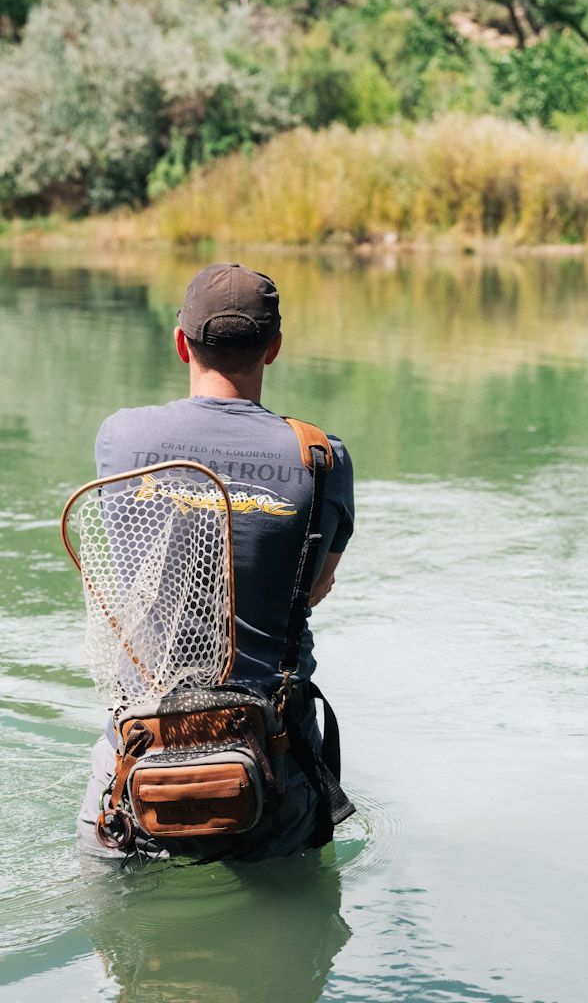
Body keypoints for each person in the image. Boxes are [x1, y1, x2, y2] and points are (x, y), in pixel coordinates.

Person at [77, 263, 355, 859]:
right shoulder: (320, 456)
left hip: (141, 756)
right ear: (273, 348)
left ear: (182, 344)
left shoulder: (122, 437)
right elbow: (314, 587)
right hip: (272, 762)